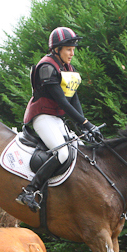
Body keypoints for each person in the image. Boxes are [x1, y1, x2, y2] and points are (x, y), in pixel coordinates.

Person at [16, 27, 103, 212]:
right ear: (56, 49)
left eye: (73, 49)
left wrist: (84, 126)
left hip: (56, 118)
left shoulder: (67, 68)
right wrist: (86, 124)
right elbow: (62, 101)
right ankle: (29, 191)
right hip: (42, 116)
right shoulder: (47, 67)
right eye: (68, 49)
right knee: (62, 154)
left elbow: (74, 98)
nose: (72, 53)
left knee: (78, 151)